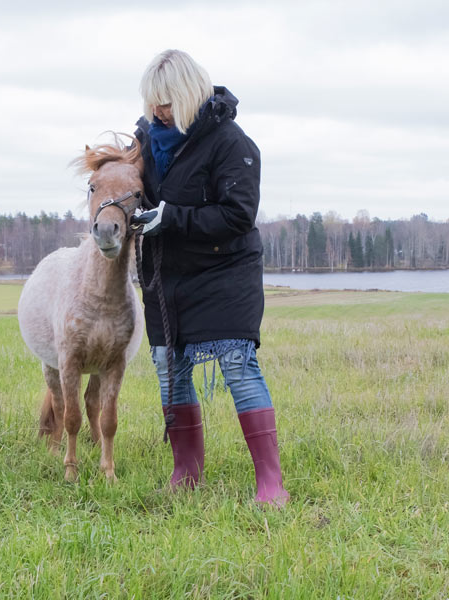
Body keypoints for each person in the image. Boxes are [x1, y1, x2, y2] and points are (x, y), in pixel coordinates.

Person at [131, 49, 289, 507]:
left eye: (165, 101)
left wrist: (172, 217)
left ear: (187, 95)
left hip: (225, 273)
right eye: (151, 102)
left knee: (238, 367)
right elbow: (125, 180)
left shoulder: (231, 142)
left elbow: (238, 215)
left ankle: (270, 484)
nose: (157, 111)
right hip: (167, 277)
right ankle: (186, 473)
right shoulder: (146, 141)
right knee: (169, 369)